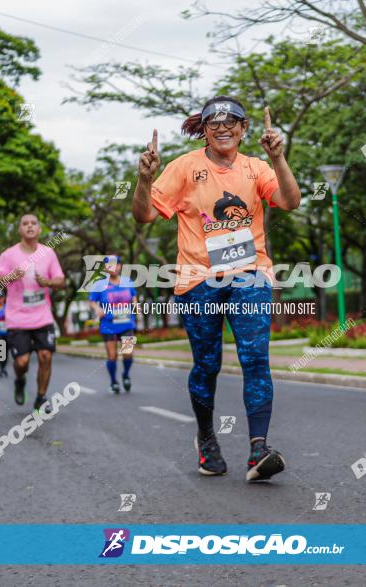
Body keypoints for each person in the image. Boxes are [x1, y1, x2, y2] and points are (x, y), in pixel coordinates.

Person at [132, 96, 301, 482]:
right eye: (214, 124)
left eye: (232, 123)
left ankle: (259, 448)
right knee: (207, 364)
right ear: (205, 130)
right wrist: (143, 180)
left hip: (249, 275)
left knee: (255, 358)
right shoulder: (185, 168)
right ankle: (206, 437)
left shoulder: (256, 168)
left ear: (244, 130)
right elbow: (143, 215)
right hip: (199, 281)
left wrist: (278, 159)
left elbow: (290, 201)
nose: (223, 129)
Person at [0, 214, 65, 413]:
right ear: (20, 230)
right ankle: (20, 380)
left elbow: (60, 280)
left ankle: (40, 397)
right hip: (18, 318)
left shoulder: (48, 253)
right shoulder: (9, 255)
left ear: (39, 230)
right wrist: (11, 275)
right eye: (25, 224)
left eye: (33, 223)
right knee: (21, 363)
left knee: (46, 356)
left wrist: (47, 282)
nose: (29, 226)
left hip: (43, 316)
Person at [88, 255, 138, 394]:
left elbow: (133, 296)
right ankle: (113, 381)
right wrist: (97, 308)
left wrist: (136, 306)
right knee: (112, 355)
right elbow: (92, 301)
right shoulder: (99, 284)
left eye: (116, 264)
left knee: (128, 353)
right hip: (108, 325)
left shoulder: (127, 281)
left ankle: (126, 375)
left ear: (120, 266)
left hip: (127, 323)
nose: (114, 267)